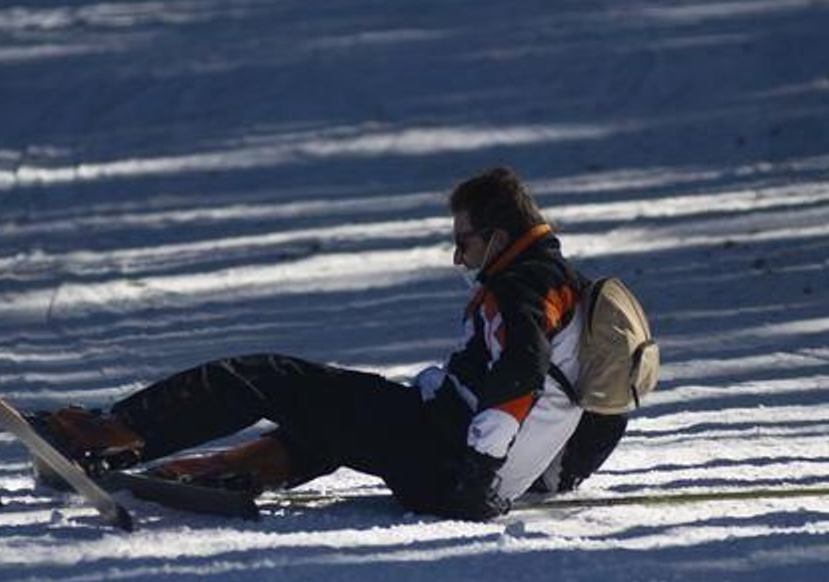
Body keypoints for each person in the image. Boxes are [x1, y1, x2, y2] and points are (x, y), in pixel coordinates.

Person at [31, 167, 628, 520]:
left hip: (448, 466)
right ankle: (231, 472)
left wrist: (479, 475)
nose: (457, 255)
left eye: (465, 241)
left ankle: (108, 434)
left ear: (499, 238)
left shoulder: (520, 289)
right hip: (452, 459)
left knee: (268, 376)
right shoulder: (560, 284)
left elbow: (522, 375)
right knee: (338, 410)